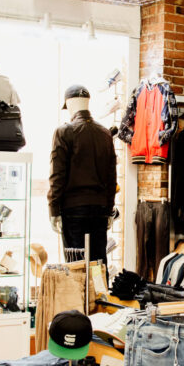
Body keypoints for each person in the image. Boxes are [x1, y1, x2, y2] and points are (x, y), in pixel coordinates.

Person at [48, 84, 117, 273]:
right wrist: (109, 208)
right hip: (100, 210)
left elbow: (57, 176)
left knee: (77, 265)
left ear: (69, 104)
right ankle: (100, 301)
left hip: (74, 210)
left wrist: (53, 209)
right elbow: (112, 178)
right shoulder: (105, 134)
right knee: (98, 266)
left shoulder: (64, 132)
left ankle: (79, 303)